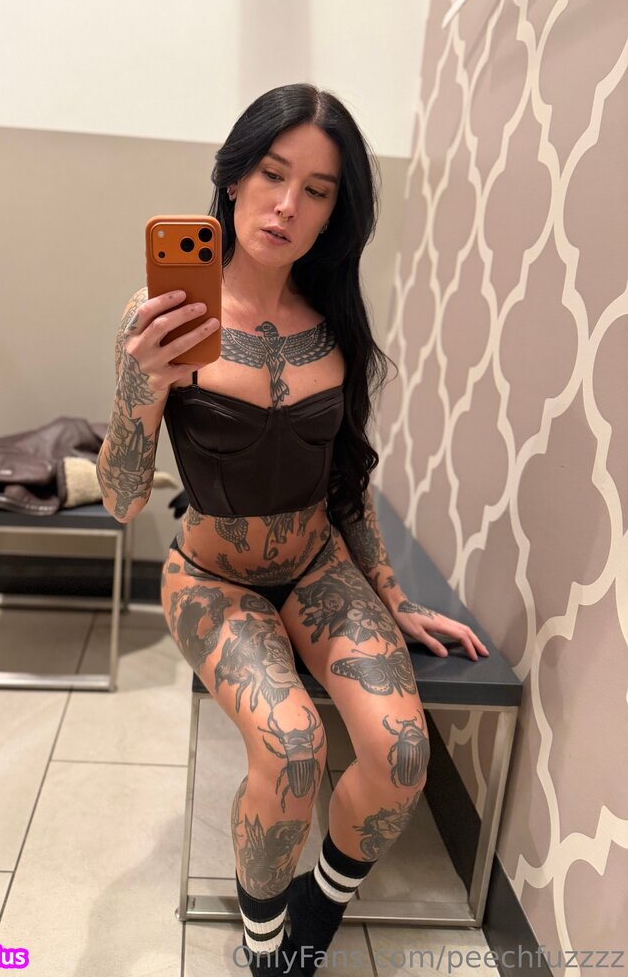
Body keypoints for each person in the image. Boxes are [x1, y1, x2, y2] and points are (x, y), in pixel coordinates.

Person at [97, 83, 489, 976]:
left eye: (316, 190)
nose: (286, 206)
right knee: (295, 749)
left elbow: (348, 482)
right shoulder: (161, 317)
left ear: (334, 212)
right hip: (212, 579)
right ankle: (265, 944)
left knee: (401, 754)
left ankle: (318, 904)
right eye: (273, 175)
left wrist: (393, 597)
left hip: (319, 566)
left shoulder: (334, 322)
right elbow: (121, 500)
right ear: (234, 178)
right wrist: (140, 388)